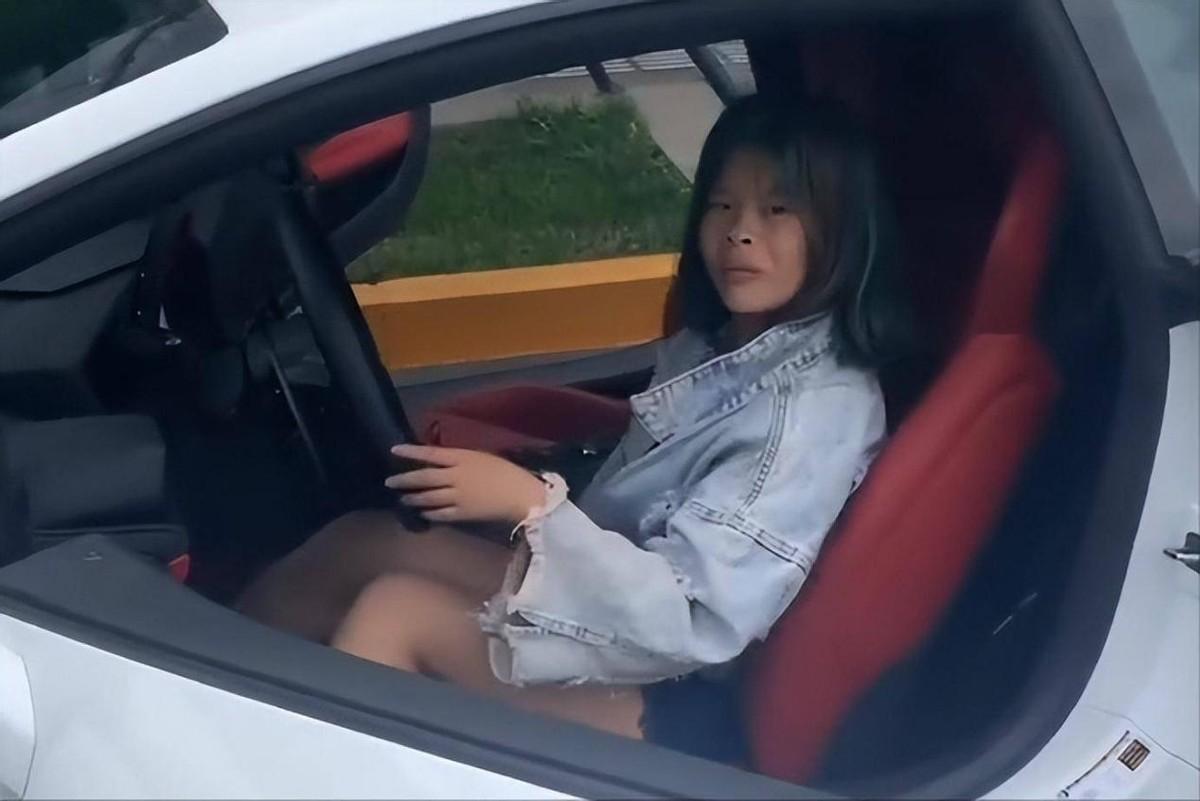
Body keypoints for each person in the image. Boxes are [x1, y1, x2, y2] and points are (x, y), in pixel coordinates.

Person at [238, 92, 910, 748]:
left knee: (397, 610)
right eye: (722, 203)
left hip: (671, 693)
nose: (740, 230)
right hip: (615, 607)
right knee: (367, 542)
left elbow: (694, 620)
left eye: (778, 209)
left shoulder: (803, 419)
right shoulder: (737, 345)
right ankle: (208, 691)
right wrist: (536, 503)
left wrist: (531, 506)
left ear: (839, 229)